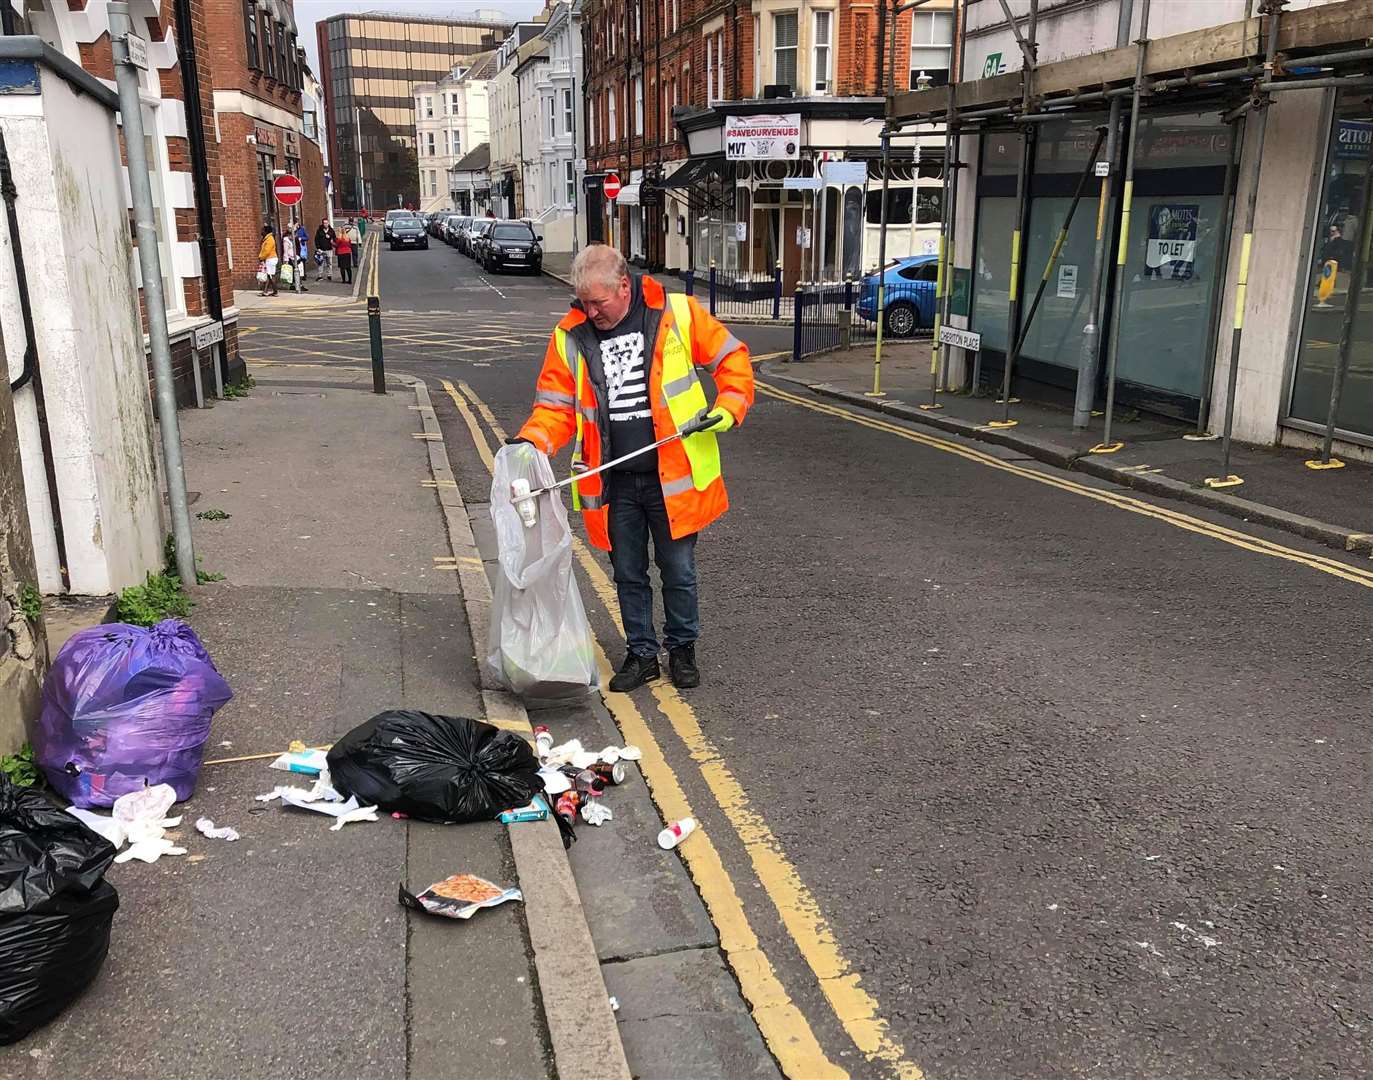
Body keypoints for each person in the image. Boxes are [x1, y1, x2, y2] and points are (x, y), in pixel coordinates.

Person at [513, 244, 754, 692]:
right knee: (627, 573)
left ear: (624, 287)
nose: (590, 311)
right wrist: (531, 442)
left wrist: (729, 407)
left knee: (678, 571)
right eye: (583, 302)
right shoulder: (570, 336)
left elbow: (732, 359)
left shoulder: (676, 313)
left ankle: (682, 650)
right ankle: (642, 655)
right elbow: (555, 407)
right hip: (614, 481)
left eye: (598, 303)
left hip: (672, 477)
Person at [257, 224, 278, 296]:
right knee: (269, 276)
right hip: (269, 259)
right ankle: (266, 291)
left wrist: (261, 257)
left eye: (262, 230)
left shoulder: (269, 239)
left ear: (266, 231)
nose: (261, 231)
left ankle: (275, 291)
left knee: (271, 275)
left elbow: (267, 251)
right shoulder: (267, 239)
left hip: (271, 259)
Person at [293, 221, 310, 293]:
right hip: (295, 252)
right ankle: (296, 283)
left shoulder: (302, 229)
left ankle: (302, 278)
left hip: (301, 249)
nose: (297, 224)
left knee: (302, 264)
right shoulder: (292, 230)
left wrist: (301, 238)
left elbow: (307, 237)